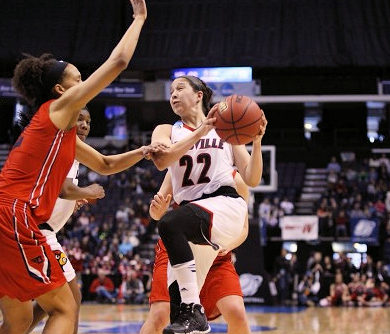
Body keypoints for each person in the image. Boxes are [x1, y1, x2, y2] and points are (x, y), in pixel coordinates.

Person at [0, 0, 147, 333]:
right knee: (66, 308)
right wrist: (138, 19)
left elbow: (105, 165)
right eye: (79, 80)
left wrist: (142, 152)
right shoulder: (57, 110)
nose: (84, 84)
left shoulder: (56, 133)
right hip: (11, 216)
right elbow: (118, 63)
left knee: (17, 322)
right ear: (62, 91)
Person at [149, 75, 266, 333]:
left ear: (199, 95)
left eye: (180, 88)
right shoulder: (167, 130)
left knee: (170, 223)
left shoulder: (225, 130)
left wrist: (256, 141)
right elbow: (162, 160)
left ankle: (195, 312)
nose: (173, 95)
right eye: (170, 91)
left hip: (225, 205)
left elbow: (252, 178)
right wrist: (200, 132)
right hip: (191, 222)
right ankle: (194, 318)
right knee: (177, 318)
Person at [28, 107, 162, 333]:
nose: (84, 125)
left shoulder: (65, 149)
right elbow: (100, 168)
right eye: (79, 119)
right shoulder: (65, 145)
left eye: (88, 122)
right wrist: (86, 191)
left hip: (39, 230)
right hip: (39, 233)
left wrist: (72, 201)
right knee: (71, 299)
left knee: (51, 304)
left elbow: (54, 193)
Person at [140, 171, 251, 334]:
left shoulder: (234, 178)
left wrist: (227, 245)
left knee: (237, 312)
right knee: (160, 315)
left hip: (216, 252)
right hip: (178, 250)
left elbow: (244, 229)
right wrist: (158, 210)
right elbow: (155, 214)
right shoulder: (177, 166)